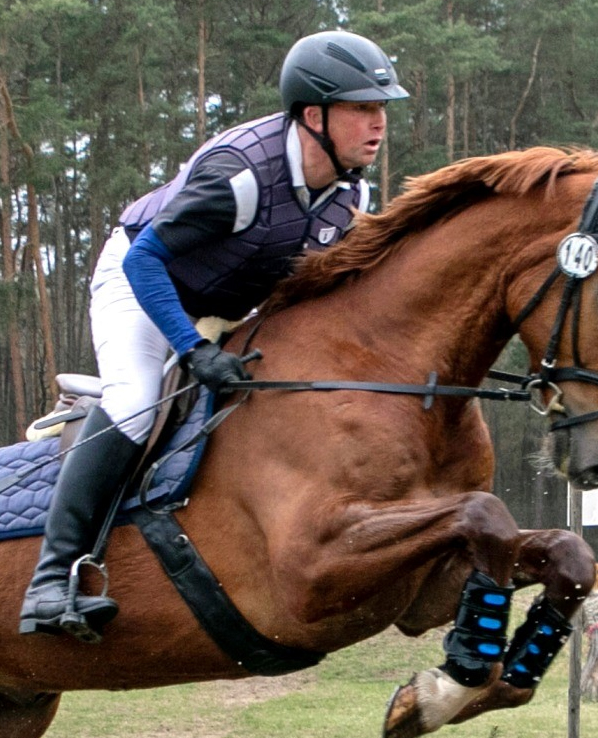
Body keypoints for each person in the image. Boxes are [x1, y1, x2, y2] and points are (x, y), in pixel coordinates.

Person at [20, 29, 410, 640]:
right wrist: (192, 348)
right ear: (314, 116)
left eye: (381, 108)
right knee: (134, 399)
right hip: (143, 283)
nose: (378, 123)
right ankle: (48, 581)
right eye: (362, 108)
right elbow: (144, 261)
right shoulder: (240, 176)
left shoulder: (351, 194)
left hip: (227, 300)